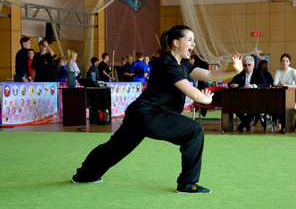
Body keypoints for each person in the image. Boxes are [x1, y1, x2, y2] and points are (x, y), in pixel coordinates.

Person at [72, 25, 243, 193]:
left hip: (141, 114)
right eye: (190, 40)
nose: (194, 44)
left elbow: (210, 75)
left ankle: (85, 175)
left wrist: (234, 70)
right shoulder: (166, 63)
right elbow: (192, 92)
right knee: (195, 131)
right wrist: (205, 98)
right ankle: (187, 184)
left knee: (115, 148)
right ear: (176, 42)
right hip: (150, 114)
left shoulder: (183, 64)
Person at [229, 55, 269, 132]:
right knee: (234, 106)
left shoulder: (258, 73)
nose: (247, 67)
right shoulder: (240, 73)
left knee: (254, 108)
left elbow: (265, 84)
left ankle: (242, 125)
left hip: (255, 99)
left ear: (253, 65)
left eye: (249, 65)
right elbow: (230, 83)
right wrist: (233, 85)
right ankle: (246, 124)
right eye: (245, 65)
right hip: (242, 99)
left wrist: (253, 85)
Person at [273, 53, 296, 133]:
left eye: (286, 61)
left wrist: (287, 86)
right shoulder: (278, 71)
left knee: (285, 106)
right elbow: (275, 84)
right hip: (280, 95)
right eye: (283, 61)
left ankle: (286, 126)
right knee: (277, 105)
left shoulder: (293, 71)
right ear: (281, 62)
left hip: (291, 95)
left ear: (289, 62)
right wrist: (280, 85)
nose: (284, 63)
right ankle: (282, 125)